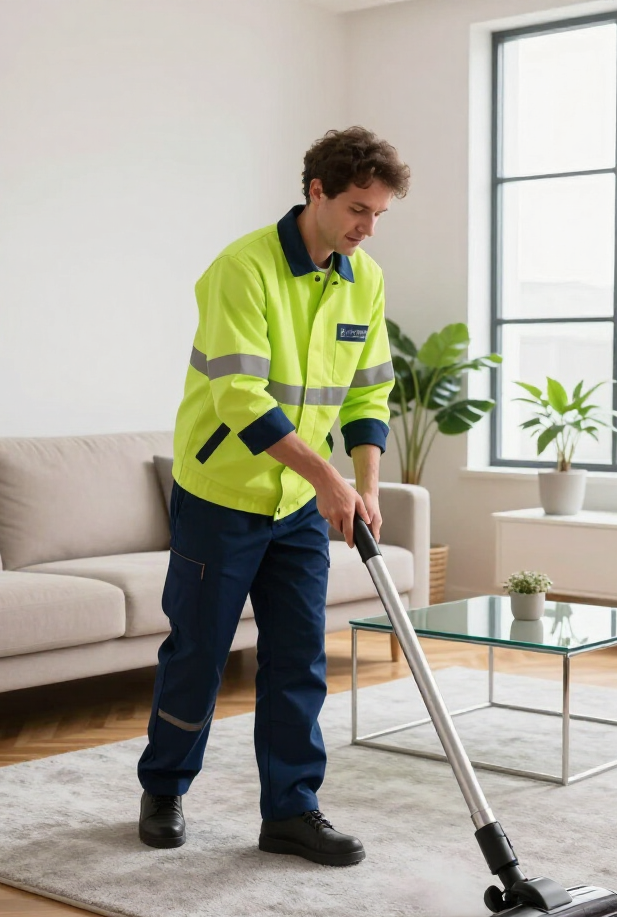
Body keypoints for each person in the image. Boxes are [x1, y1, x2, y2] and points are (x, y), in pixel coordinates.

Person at [136, 127, 409, 866]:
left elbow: (369, 390)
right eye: (358, 208)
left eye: (379, 213)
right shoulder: (242, 269)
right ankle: (163, 787)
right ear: (315, 193)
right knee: (199, 653)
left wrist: (368, 484)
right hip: (222, 493)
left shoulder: (364, 277)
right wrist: (331, 479)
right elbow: (240, 397)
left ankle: (291, 810)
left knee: (297, 659)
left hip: (296, 505)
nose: (367, 226)